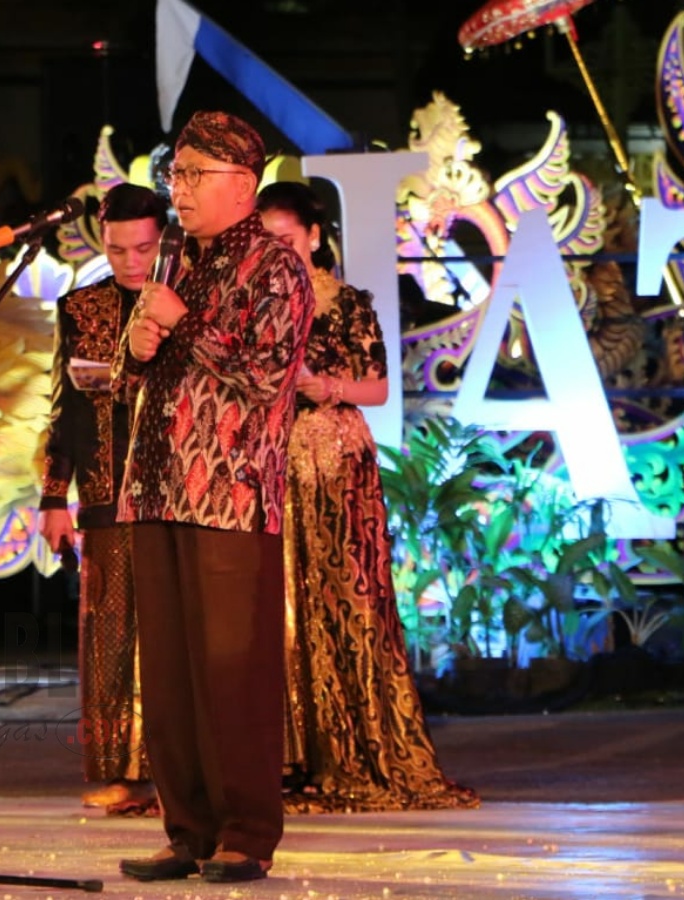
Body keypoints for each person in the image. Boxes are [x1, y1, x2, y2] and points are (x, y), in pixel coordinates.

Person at [113, 111, 314, 884]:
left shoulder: (275, 265)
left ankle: (246, 833)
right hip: (156, 486)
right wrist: (135, 351)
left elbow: (268, 376)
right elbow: (157, 370)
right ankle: (187, 828)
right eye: (177, 174)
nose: (180, 189)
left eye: (195, 175)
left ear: (242, 183)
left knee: (235, 671)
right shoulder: (177, 261)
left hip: (228, 491)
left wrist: (183, 322)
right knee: (167, 676)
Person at [257, 181, 479, 814]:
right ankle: (283, 757)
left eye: (286, 242)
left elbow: (378, 389)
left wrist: (321, 386)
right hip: (271, 469)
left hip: (336, 467)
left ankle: (355, 748)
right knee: (279, 610)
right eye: (265, 245)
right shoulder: (249, 308)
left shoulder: (349, 305)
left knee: (347, 606)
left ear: (315, 238)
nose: (277, 256)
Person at [39, 183, 166, 813]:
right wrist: (50, 498)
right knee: (110, 636)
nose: (130, 262)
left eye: (142, 248)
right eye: (117, 250)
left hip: (180, 496)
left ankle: (181, 774)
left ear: (162, 241)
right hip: (104, 493)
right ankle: (122, 772)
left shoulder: (185, 302)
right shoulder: (79, 308)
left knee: (176, 637)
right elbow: (62, 412)